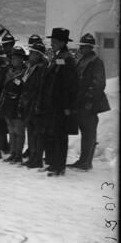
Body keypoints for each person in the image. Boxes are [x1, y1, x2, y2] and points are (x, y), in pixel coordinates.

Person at [38, 27, 79, 177]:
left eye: (55, 41)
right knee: (52, 134)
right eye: (52, 41)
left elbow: (70, 85)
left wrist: (68, 106)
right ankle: (53, 163)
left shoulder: (67, 59)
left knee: (60, 136)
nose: (52, 43)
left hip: (61, 105)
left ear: (63, 42)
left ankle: (59, 166)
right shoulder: (58, 56)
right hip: (52, 104)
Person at [69, 33, 110, 171]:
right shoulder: (81, 60)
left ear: (91, 47)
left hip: (90, 104)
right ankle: (83, 160)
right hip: (81, 102)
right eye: (82, 46)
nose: (83, 48)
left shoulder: (96, 62)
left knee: (89, 133)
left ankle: (86, 162)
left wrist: (89, 100)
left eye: (86, 46)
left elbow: (98, 84)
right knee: (85, 132)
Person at [18, 42, 48, 169]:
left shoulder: (41, 69)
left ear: (38, 55)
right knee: (31, 131)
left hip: (36, 104)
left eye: (32, 53)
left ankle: (37, 158)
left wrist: (38, 104)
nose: (29, 55)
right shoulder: (31, 67)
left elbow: (40, 89)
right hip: (28, 103)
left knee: (37, 133)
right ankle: (33, 157)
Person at [0, 46, 27, 163]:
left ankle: (18, 154)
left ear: (22, 59)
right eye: (13, 58)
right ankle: (13, 152)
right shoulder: (9, 71)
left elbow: (24, 89)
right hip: (8, 103)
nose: (14, 60)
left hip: (18, 103)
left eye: (17, 58)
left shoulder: (25, 72)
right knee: (11, 130)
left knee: (19, 130)